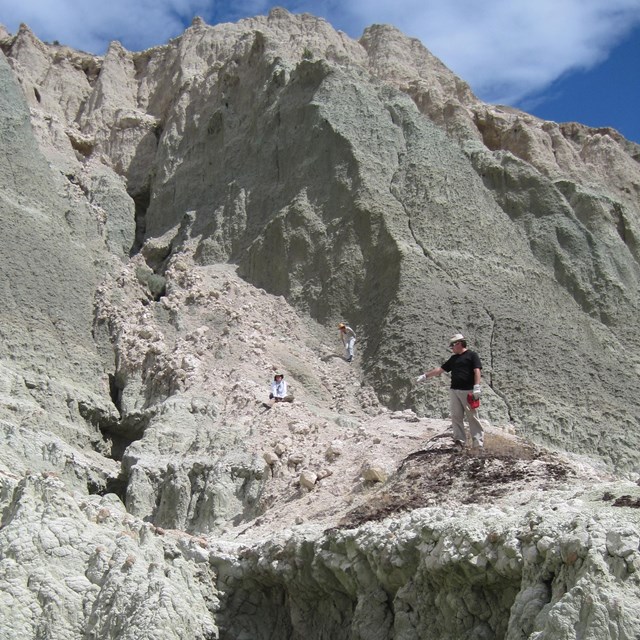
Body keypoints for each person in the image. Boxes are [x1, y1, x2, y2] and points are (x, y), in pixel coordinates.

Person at [416, 333, 484, 449]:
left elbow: (477, 371)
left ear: (459, 344)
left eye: (452, 345)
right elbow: (440, 370)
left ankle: (478, 445)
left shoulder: (472, 355)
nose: (451, 348)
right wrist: (425, 376)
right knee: (456, 416)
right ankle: (459, 442)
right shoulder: (454, 359)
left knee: (472, 417)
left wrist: (476, 387)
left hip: (468, 391)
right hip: (454, 391)